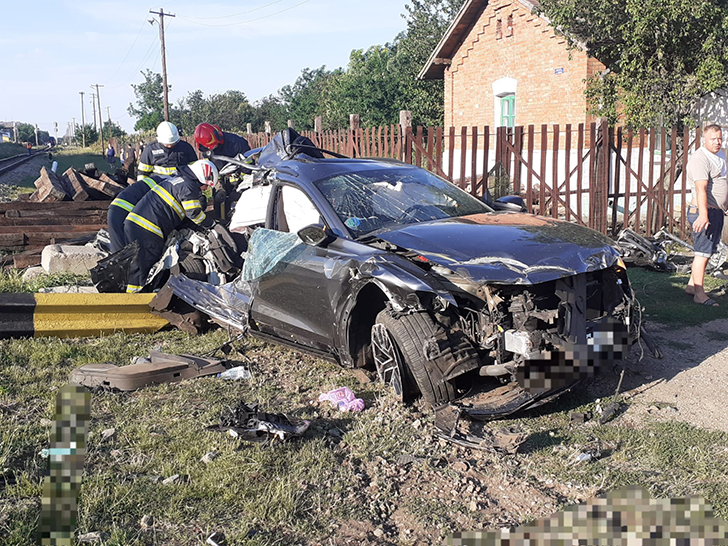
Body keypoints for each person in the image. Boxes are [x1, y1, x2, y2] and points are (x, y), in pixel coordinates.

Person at [123, 159, 218, 293]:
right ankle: (137, 302)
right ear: (202, 178)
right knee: (144, 268)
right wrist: (212, 224)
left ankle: (134, 297)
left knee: (138, 267)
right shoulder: (189, 186)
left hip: (138, 225)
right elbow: (194, 213)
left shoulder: (179, 180)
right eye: (206, 185)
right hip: (147, 228)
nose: (206, 189)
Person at [685, 123, 728, 306]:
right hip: (704, 212)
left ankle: (691, 286)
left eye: (720, 138)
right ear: (704, 139)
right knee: (702, 253)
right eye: (713, 139)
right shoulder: (700, 159)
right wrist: (704, 216)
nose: (717, 142)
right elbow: (701, 189)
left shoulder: (720, 154)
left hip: (716, 211)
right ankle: (700, 295)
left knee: (708, 251)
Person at [106, 175, 161, 253]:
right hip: (124, 213)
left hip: (115, 211)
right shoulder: (164, 185)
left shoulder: (156, 180)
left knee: (120, 253)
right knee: (126, 255)